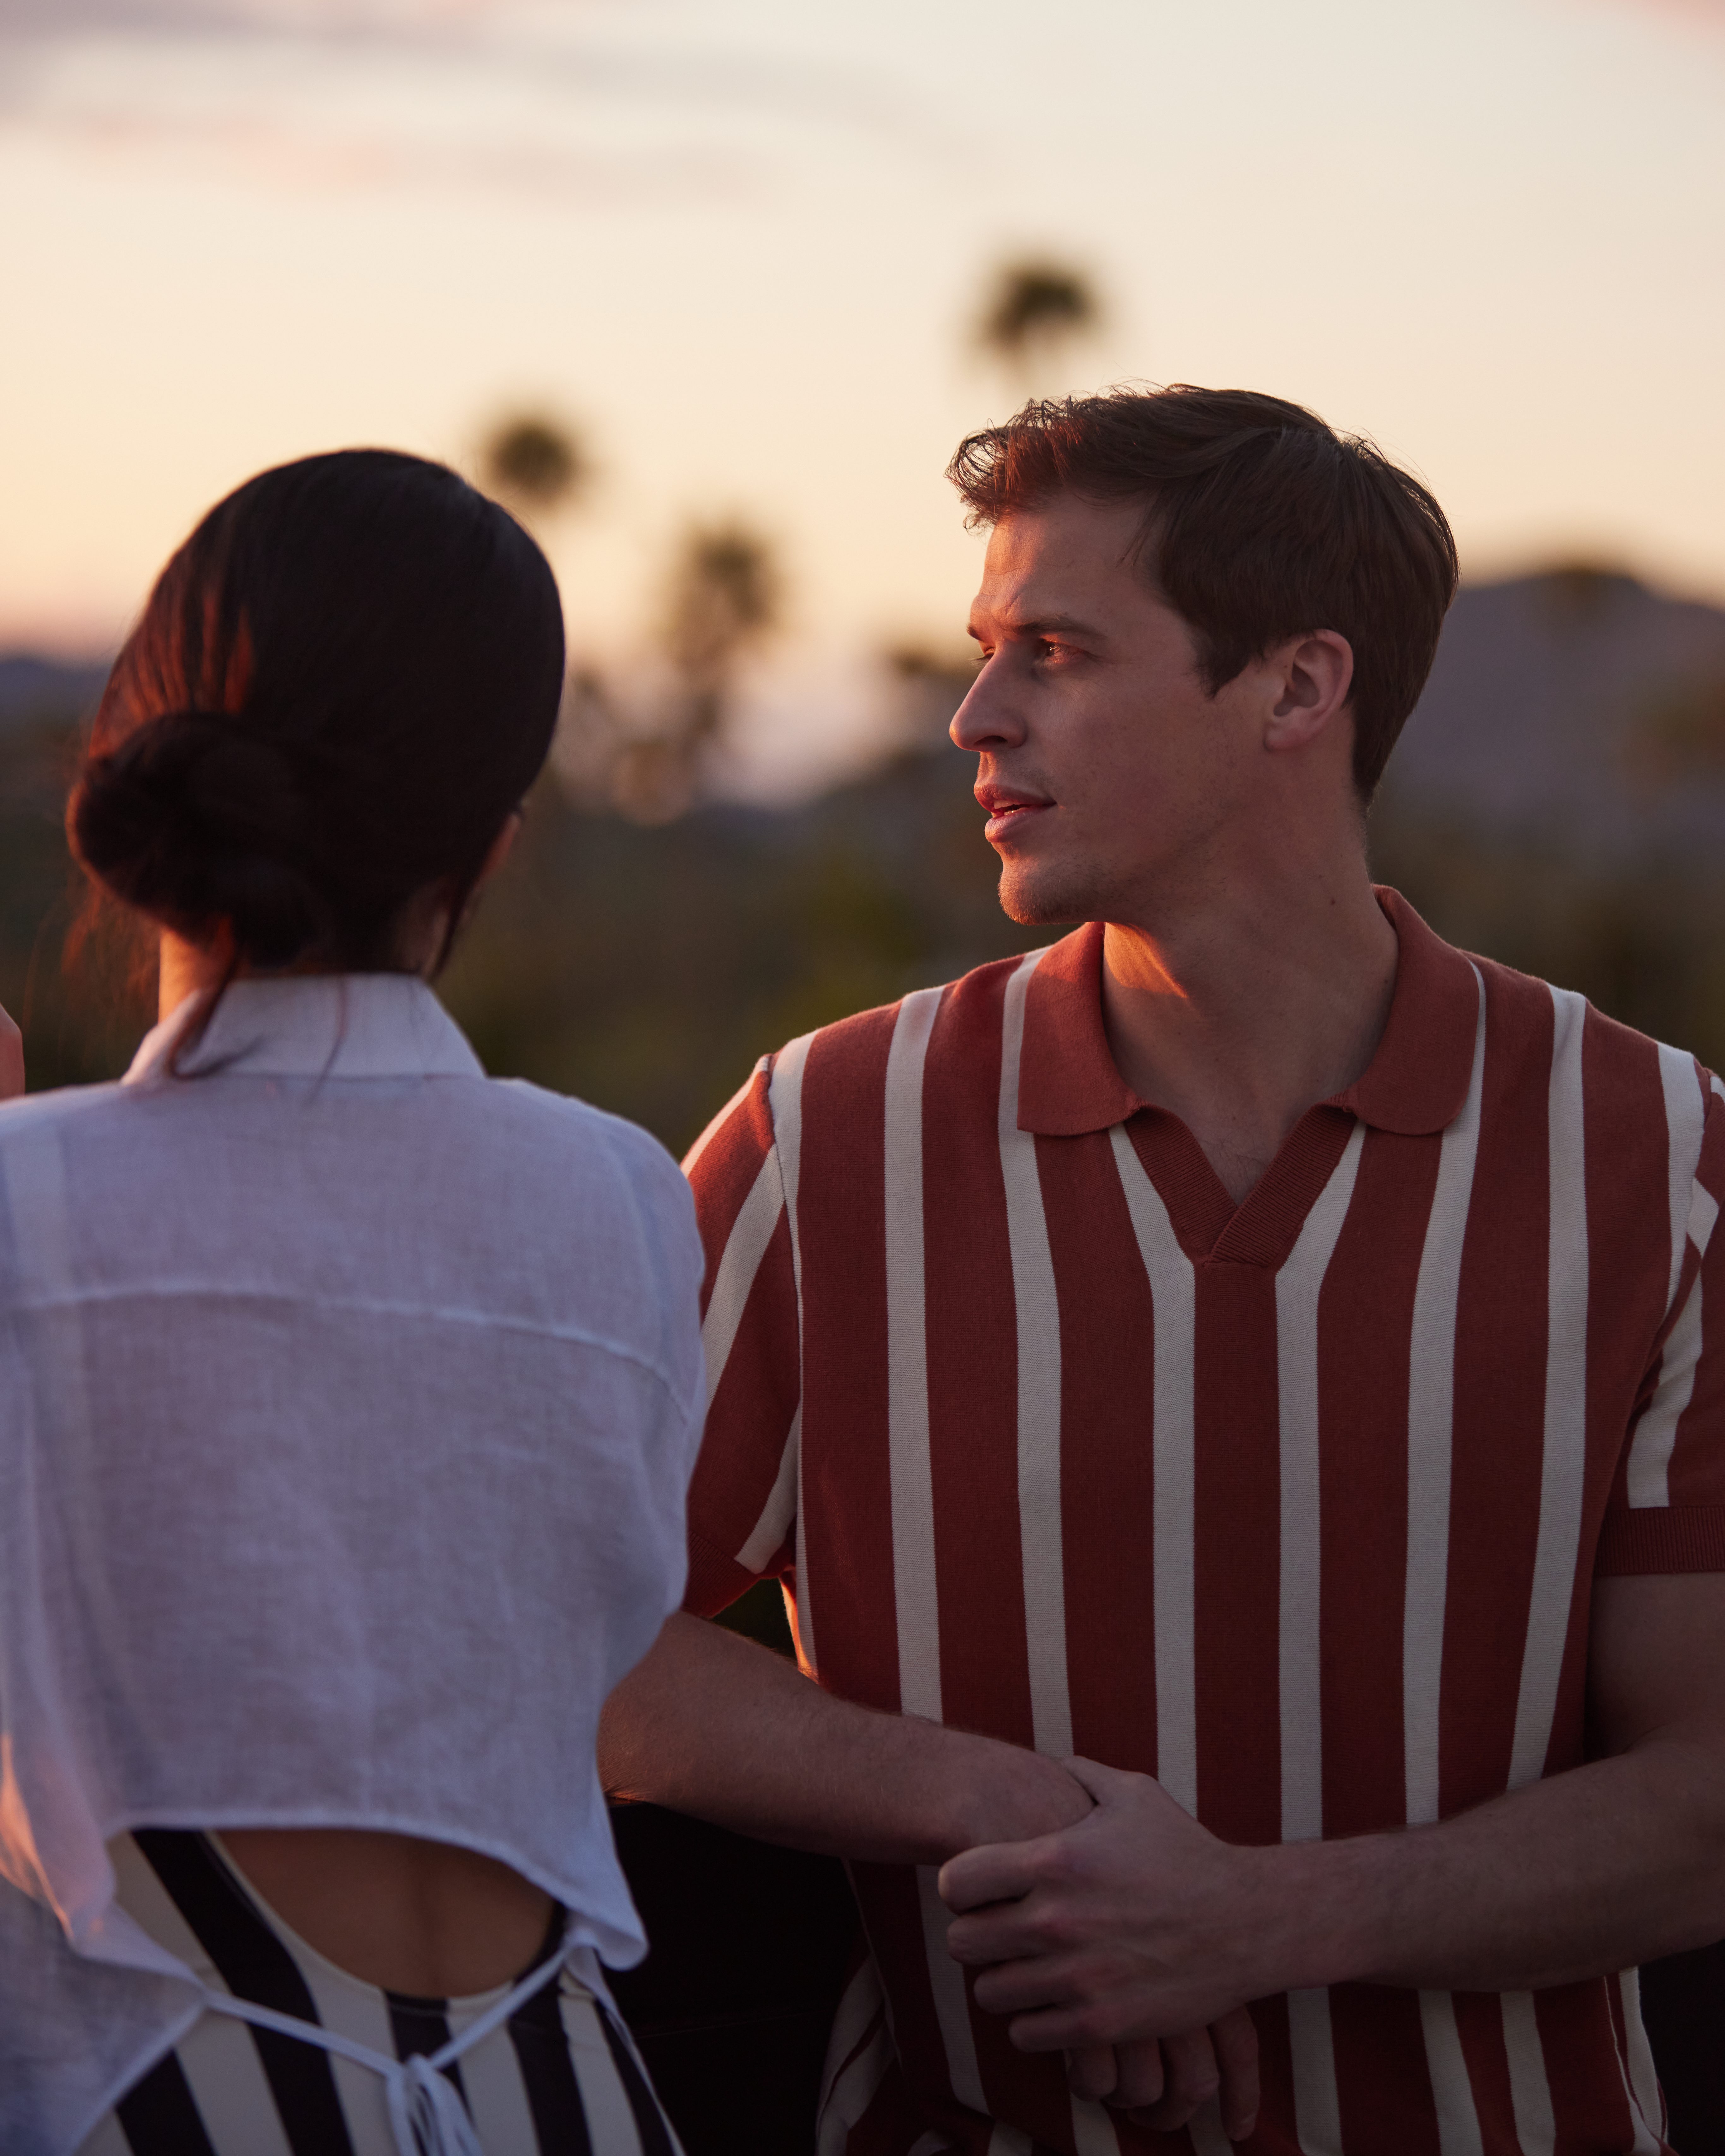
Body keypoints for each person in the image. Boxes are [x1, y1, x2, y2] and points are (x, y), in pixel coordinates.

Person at [599, 387, 1725, 2153]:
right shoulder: (828, 1137)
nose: (975, 717)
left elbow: (1707, 1798)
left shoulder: (1656, 1153)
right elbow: (551, 1628)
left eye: (1054, 651)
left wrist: (1256, 1922)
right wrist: (1000, 1801)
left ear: (1293, 688)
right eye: (987, 651)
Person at [0, 450, 703, 2156]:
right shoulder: (620, 1198)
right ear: (493, 841)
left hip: (157, 2101)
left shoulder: (29, 1209)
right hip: (563, 2096)